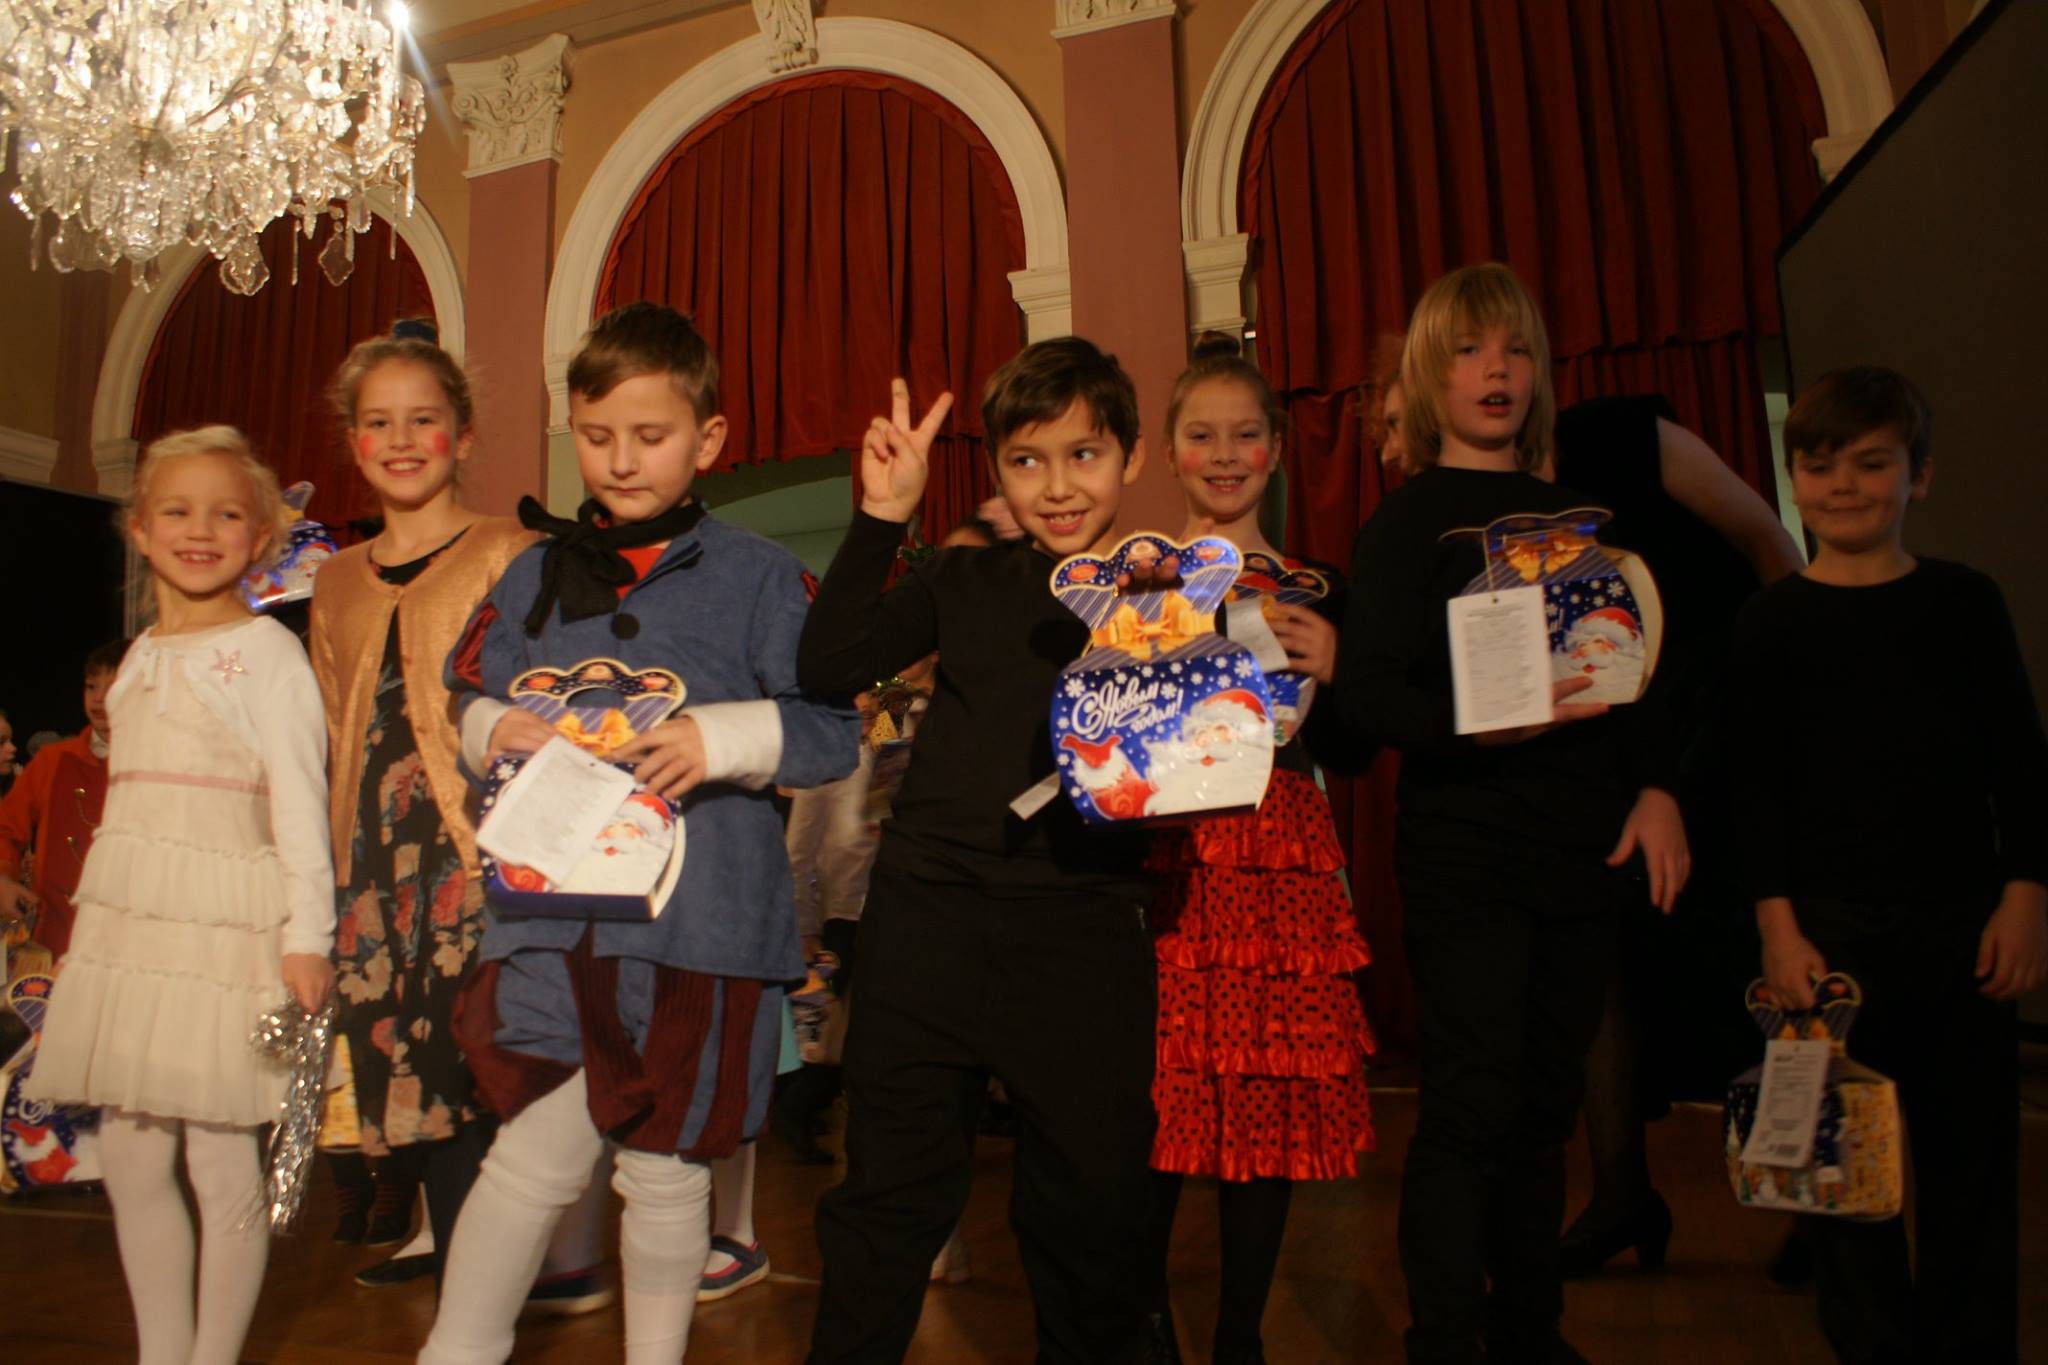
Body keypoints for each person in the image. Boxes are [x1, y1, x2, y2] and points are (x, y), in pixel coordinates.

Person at [419, 301, 857, 1365]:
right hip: (553, 919)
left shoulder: (762, 576)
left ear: (708, 438)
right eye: (597, 435)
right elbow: (463, 689)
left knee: (665, 1167)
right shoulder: (531, 574)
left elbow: (830, 730)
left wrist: (720, 738)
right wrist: (490, 727)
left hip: (700, 927)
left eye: (650, 435)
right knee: (530, 1154)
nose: (621, 460)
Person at [1336, 264, 1688, 1365]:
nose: (1495, 371)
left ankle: (1531, 1332)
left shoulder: (1585, 520)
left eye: (1515, 349)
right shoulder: (1405, 525)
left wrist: (1657, 789)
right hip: (1464, 855)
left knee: (1545, 1109)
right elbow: (1369, 695)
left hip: (1580, 849)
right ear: (1426, 376)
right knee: (1471, 1106)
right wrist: (1471, 729)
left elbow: (1636, 675)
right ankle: (1444, 1339)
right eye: (1467, 351)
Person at [799, 340, 1158, 1364]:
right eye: (1027, 460)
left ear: (1130, 456)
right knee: (886, 1204)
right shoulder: (959, 578)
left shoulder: (1169, 598)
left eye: (1084, 454)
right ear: (996, 470)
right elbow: (827, 665)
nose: (1058, 486)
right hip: (929, 922)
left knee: (1091, 1216)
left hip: (1084, 930)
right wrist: (882, 516)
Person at [1730, 365, 2047, 1364]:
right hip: (1827, 942)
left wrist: (2024, 897)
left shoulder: (1964, 603)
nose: (1844, 486)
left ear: (1920, 475)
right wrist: (1777, 927)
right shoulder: (1770, 622)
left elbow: (2020, 765)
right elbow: (1756, 791)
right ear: (1793, 477)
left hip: (1960, 928)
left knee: (1971, 1171)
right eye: (1820, 465)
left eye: (1871, 464)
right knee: (1840, 1180)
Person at [25, 426, 336, 1365]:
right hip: (134, 938)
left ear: (262, 536)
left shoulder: (267, 654)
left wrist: (310, 934)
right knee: (129, 1153)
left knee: (218, 1152)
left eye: (226, 513)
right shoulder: (139, 660)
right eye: (177, 510)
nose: (200, 529)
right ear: (139, 529)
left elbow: (301, 800)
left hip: (226, 933)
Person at [1139, 334, 1376, 1365]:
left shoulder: (1319, 585)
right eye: (1203, 436)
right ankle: (1147, 1326)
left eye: (1244, 436)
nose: (1224, 455)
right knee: (1155, 1093)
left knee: (1264, 1097)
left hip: (1277, 858)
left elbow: (1350, 750)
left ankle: (1239, 1334)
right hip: (1167, 860)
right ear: (1170, 450)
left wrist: (1339, 664)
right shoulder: (1136, 587)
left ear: (1275, 448)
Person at [1544, 396, 1803, 1277]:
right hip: (1610, 734)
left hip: (1719, 704)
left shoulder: (1617, 435)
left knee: (1745, 958)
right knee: (1605, 956)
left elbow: (1763, 534)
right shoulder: (1480, 494)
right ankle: (1623, 1194)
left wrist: (1798, 679)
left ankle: (1810, 1201)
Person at [308, 327, 541, 1289]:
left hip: (474, 852)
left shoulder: (511, 553)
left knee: (476, 1061)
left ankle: (499, 1277)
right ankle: (452, 1253)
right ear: (352, 441)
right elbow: (332, 724)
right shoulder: (333, 579)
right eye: (378, 423)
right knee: (408, 1072)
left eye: (423, 420)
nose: (401, 440)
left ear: (464, 433)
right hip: (372, 862)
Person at [0, 639, 126, 955]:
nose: (98, 699)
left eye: (112, 687)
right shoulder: (54, 760)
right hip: (57, 935)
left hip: (133, 940)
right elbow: (6, 828)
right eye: (91, 687)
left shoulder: (161, 766)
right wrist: (2, 880)